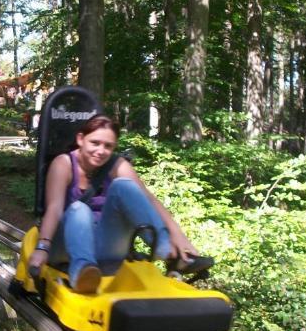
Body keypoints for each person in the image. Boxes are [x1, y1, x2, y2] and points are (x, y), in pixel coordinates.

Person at [27, 115, 212, 293]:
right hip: (67, 246)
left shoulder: (116, 164)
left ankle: (170, 254)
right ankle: (82, 274)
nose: (101, 151)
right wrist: (42, 247)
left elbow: (148, 199)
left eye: (108, 146)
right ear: (81, 139)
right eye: (95, 143)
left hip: (106, 244)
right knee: (79, 209)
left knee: (125, 186)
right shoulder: (64, 164)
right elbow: (54, 209)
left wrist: (178, 235)